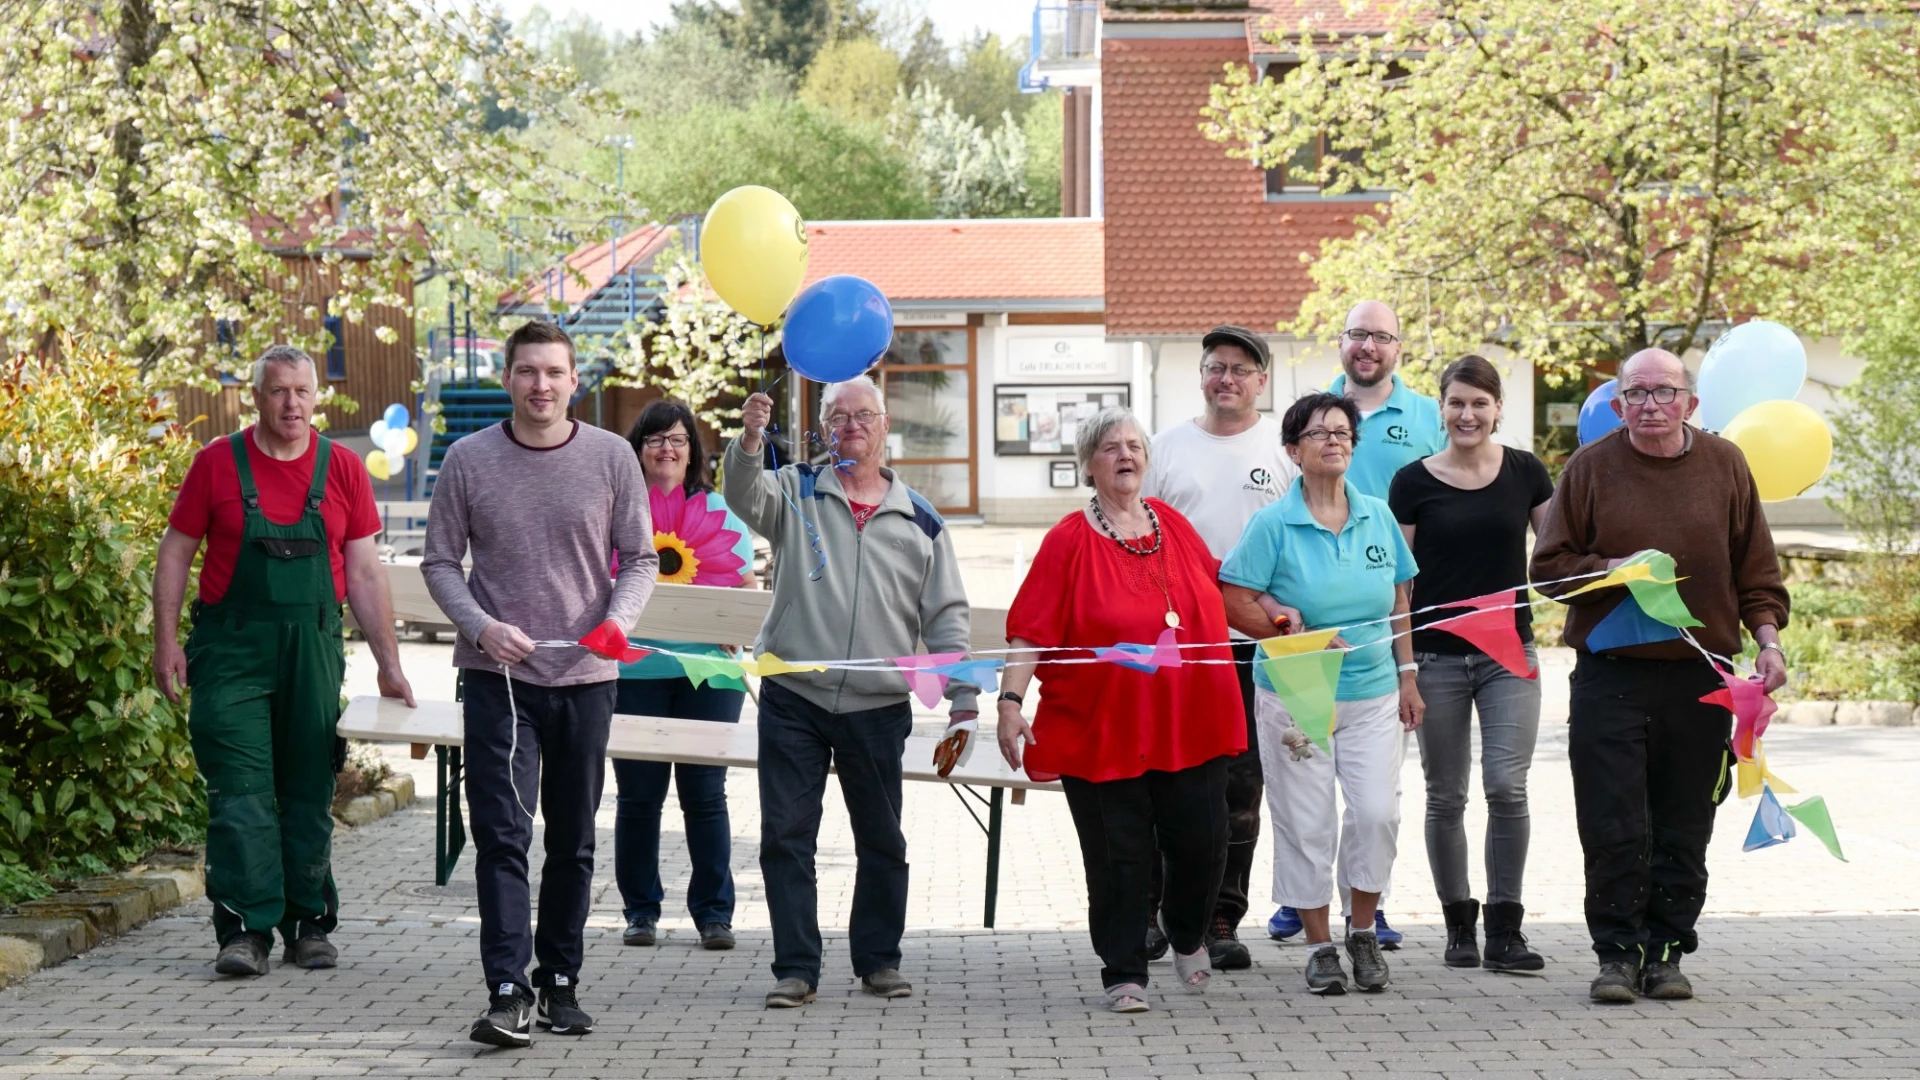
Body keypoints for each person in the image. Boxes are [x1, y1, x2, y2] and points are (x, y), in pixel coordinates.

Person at [423, 321, 658, 1047]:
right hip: (499, 679)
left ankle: (559, 980)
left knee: (574, 838)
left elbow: (640, 559)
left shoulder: (612, 458)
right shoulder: (468, 460)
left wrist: (617, 621)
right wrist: (481, 626)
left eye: (553, 373)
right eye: (527, 372)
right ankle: (506, 991)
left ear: (573, 380)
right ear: (508, 379)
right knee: (501, 833)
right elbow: (439, 563)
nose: (541, 386)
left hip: (587, 677)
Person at [1531, 348, 1789, 1004]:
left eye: (1664, 393)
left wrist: (1768, 643)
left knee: (1684, 819)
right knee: (1613, 818)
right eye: (1637, 395)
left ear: (1690, 404)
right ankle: (1617, 954)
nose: (1650, 405)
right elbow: (1548, 568)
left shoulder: (1726, 464)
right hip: (1610, 677)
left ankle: (1668, 951)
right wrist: (1613, 567)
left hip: (1700, 678)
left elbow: (1755, 568)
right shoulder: (1590, 469)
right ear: (1617, 406)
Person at [154, 344, 415, 978]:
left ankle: (307, 923)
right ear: (257, 398)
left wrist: (390, 662)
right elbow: (175, 552)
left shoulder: (344, 468)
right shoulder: (217, 463)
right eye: (278, 392)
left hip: (314, 648)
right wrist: (165, 640)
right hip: (231, 648)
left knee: (307, 789)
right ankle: (244, 931)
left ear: (316, 396)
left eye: (301, 391)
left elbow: (365, 574)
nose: (291, 403)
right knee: (240, 792)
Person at [726, 376, 978, 1010]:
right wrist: (750, 440)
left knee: (882, 839)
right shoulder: (796, 490)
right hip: (794, 696)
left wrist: (964, 699)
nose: (851, 426)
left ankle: (878, 960)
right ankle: (796, 968)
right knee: (787, 835)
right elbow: (743, 494)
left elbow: (946, 616)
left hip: (877, 704)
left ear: (885, 425)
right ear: (822, 426)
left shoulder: (920, 518)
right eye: (838, 417)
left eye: (864, 415)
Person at [996, 407, 1243, 1012]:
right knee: (1118, 855)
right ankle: (1124, 970)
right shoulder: (1068, 541)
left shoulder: (1175, 527)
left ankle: (1186, 932)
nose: (1125, 455)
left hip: (1189, 720)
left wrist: (1292, 628)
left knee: (1205, 842)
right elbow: (1030, 631)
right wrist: (1009, 702)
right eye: (1110, 448)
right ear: (1088, 463)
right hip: (1102, 725)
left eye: (1134, 445)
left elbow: (1226, 595)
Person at [1221, 392, 1421, 995]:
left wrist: (1409, 676)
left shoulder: (1379, 515)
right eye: (1318, 432)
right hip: (1296, 692)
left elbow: (1399, 601)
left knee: (1375, 813)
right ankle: (1320, 945)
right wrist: (1286, 624)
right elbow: (1234, 599)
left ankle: (1362, 931)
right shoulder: (1271, 524)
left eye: (1342, 431)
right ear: (1293, 450)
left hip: (1373, 691)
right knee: (1306, 821)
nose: (1334, 440)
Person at [1271, 299, 1443, 948]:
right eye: (1357, 335)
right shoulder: (1311, 412)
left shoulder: (1427, 415)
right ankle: (1299, 901)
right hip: (1304, 634)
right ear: (1339, 343)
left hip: (1386, 608)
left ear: (1399, 347)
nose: (1368, 346)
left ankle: (1367, 908)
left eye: (1381, 336)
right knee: (1301, 789)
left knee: (1373, 797)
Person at [1387, 355, 1553, 972]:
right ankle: (1460, 924)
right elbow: (1398, 588)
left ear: (1498, 409)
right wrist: (1405, 670)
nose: (1468, 414)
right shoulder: (1412, 482)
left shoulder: (1526, 473)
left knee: (1507, 787)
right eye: (1457, 402)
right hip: (1436, 661)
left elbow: (1560, 555)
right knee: (1445, 795)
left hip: (1511, 654)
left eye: (1480, 403)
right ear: (1441, 408)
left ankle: (1506, 930)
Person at [1139, 325, 1298, 972]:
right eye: (1214, 367)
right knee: (1162, 782)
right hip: (1175, 648)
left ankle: (1222, 917)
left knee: (1240, 787)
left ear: (1262, 380)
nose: (1226, 378)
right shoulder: (1164, 449)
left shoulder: (1284, 452)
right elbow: (1135, 538)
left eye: (1240, 368)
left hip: (1254, 647)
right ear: (1201, 375)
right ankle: (1156, 914)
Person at [612, 400, 759, 953]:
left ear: (693, 450)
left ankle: (714, 915)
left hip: (709, 675)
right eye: (654, 439)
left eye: (677, 439)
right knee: (638, 796)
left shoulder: (721, 509)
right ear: (638, 449)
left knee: (705, 794)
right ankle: (640, 912)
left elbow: (744, 586)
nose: (666, 449)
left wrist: (736, 626)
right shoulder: (617, 508)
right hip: (635, 669)